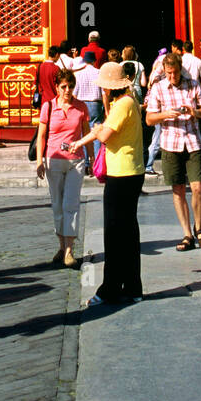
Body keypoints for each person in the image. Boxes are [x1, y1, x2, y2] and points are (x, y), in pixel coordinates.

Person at [65, 63, 145, 306]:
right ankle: (132, 287)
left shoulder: (122, 105)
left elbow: (105, 134)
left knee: (114, 233)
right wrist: (80, 142)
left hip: (122, 174)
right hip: (131, 171)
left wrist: (93, 134)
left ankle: (110, 288)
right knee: (128, 232)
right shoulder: (128, 102)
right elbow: (103, 129)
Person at [144, 52, 201, 250]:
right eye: (168, 73)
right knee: (178, 189)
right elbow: (149, 119)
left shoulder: (193, 85)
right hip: (170, 142)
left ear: (180, 69)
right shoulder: (158, 88)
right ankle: (187, 234)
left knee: (198, 186)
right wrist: (165, 114)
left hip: (192, 141)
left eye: (174, 73)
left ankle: (199, 227)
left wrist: (195, 112)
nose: (172, 77)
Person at [36, 69, 89, 268]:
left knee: (71, 204)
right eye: (64, 86)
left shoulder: (81, 107)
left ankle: (69, 250)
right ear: (57, 87)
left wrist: (91, 156)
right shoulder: (48, 107)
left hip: (75, 160)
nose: (67, 90)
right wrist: (39, 160)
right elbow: (42, 135)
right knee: (57, 204)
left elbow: (86, 132)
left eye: (70, 86)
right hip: (54, 159)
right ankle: (61, 245)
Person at [74, 51, 103, 168]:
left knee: (84, 134)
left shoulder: (78, 74)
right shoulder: (99, 73)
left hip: (82, 104)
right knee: (96, 133)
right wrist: (107, 108)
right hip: (96, 103)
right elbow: (104, 93)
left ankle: (85, 163)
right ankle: (96, 163)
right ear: (94, 61)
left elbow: (74, 94)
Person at [38, 45, 61, 110]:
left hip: (43, 100)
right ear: (56, 54)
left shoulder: (39, 67)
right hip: (54, 100)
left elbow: (36, 84)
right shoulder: (56, 68)